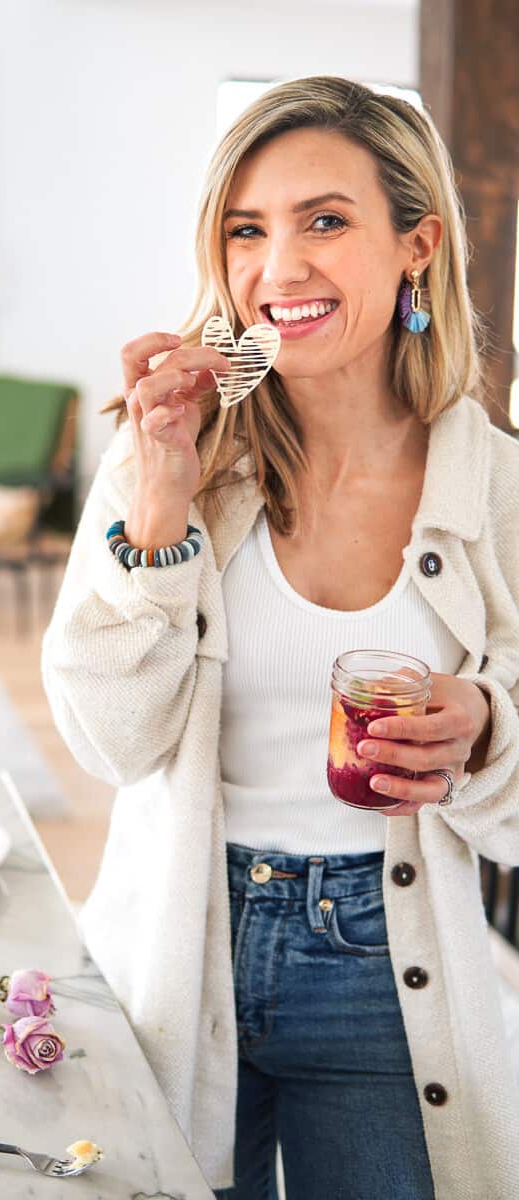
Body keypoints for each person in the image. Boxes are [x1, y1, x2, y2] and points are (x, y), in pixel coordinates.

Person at [41, 76, 519, 1199]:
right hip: (182, 939)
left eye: (323, 221)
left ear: (416, 244)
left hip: (385, 970)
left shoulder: (494, 485)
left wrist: (487, 728)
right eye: (244, 229)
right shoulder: (171, 451)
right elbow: (110, 747)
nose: (277, 269)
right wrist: (158, 511)